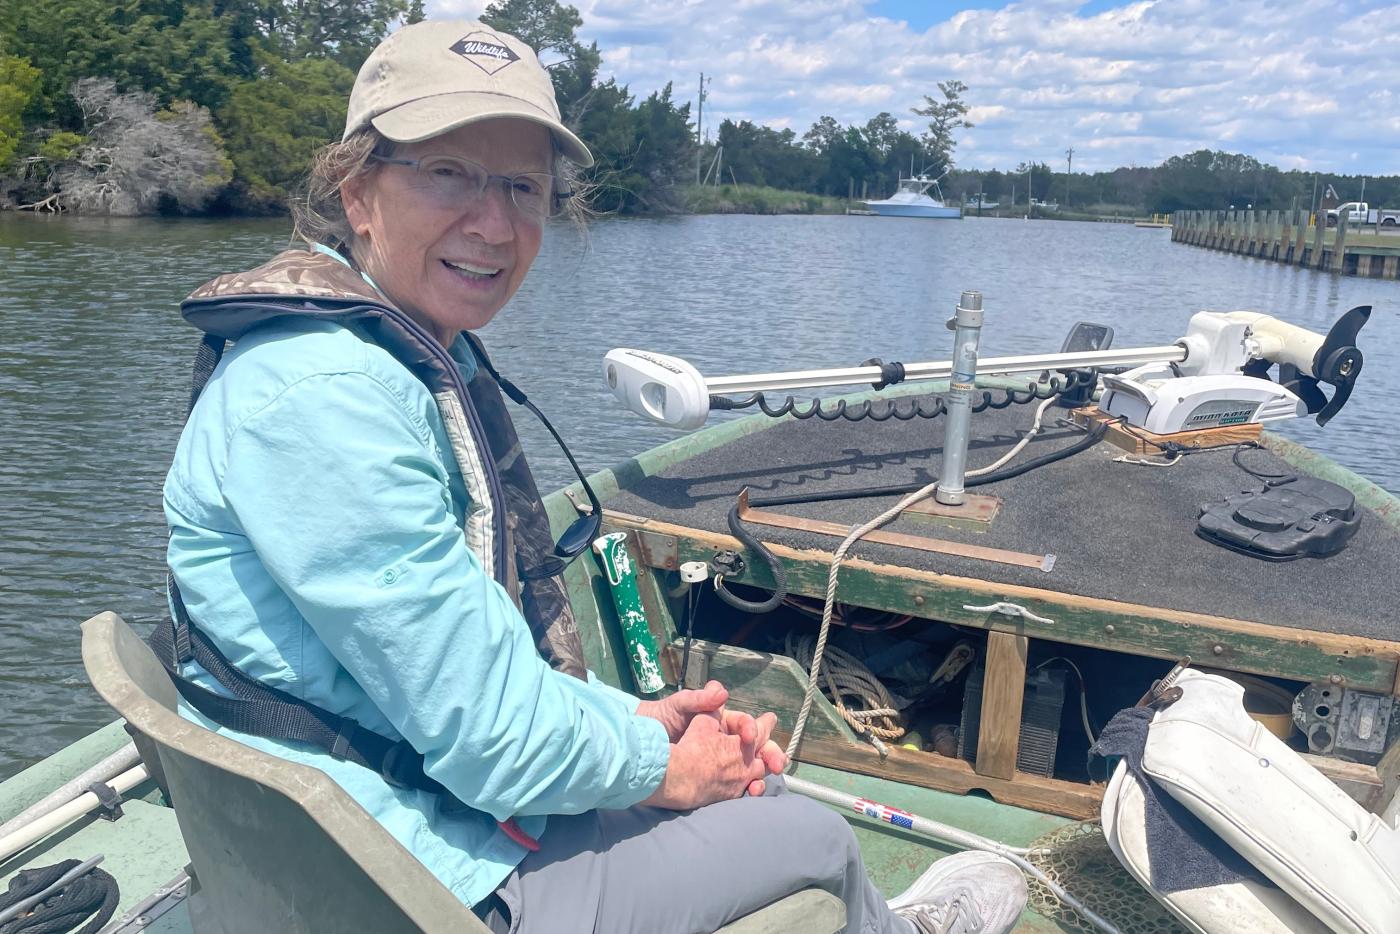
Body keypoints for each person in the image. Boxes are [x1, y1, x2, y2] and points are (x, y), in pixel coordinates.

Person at [160, 18, 1029, 934]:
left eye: (522, 187)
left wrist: (640, 723)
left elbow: (459, 667)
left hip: (377, 806)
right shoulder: (325, 397)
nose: (493, 224)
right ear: (357, 192)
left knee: (750, 806)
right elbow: (488, 737)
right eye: (447, 173)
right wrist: (674, 767)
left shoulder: (372, 357)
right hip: (408, 880)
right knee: (815, 841)